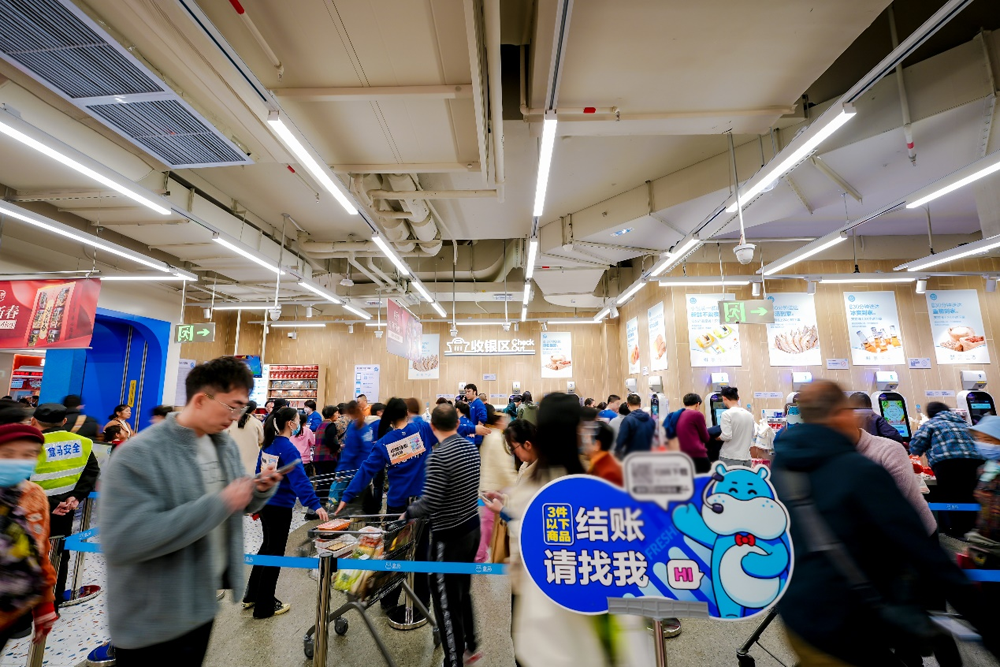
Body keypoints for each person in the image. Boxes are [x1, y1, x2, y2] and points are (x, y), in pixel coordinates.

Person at [771, 380, 1000, 666]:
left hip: (802, 615)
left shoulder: (784, 466)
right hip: (852, 619)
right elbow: (919, 546)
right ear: (840, 413)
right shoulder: (857, 470)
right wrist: (988, 627)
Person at [100, 356, 283, 666]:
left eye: (242, 408)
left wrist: (258, 489)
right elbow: (124, 540)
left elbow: (237, 503)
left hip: (201, 603)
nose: (236, 417)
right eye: (232, 406)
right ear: (200, 399)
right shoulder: (140, 454)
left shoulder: (222, 446)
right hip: (150, 616)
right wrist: (222, 502)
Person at [852, 413, 958, 666]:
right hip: (879, 547)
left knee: (933, 612)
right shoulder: (835, 458)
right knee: (896, 614)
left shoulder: (886, 449)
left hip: (918, 537)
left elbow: (892, 504)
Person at [404, 404, 483, 666]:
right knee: (462, 590)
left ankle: (454, 659)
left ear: (432, 426)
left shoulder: (439, 456)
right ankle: (470, 643)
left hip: (449, 536)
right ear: (458, 424)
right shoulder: (470, 448)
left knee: (445, 601)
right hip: (472, 527)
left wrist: (408, 512)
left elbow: (430, 503)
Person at [336, 398, 430, 613]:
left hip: (397, 506)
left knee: (394, 553)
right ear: (406, 413)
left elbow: (366, 470)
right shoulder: (422, 429)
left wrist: (346, 496)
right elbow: (448, 430)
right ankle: (423, 600)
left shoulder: (385, 442)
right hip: (422, 504)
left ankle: (388, 601)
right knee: (423, 553)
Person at [243, 406, 327, 619]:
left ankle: (252, 594)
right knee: (274, 553)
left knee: (266, 547)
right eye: (297, 420)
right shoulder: (288, 449)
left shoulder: (269, 444)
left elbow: (258, 473)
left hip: (266, 504)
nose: (300, 423)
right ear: (290, 423)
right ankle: (265, 606)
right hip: (279, 507)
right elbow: (300, 481)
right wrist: (315, 504)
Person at [30, 403, 100, 612]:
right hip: (65, 509)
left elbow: (18, 480)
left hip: (31, 510)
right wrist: (75, 497)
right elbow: (91, 471)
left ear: (33, 420)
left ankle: (26, 605)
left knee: (28, 554)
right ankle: (54, 600)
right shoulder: (81, 443)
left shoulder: (29, 444)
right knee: (59, 553)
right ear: (64, 421)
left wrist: (50, 503)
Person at [0, 424, 58, 652]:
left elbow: (39, 550)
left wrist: (45, 602)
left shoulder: (33, 494)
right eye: (8, 454)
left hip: (10, 609)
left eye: (29, 454)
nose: (18, 461)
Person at [909, 402, 985, 538]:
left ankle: (957, 531)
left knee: (952, 496)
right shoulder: (966, 424)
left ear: (930, 414)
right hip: (976, 462)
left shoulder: (931, 424)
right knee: (970, 495)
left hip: (948, 464)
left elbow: (916, 447)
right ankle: (974, 530)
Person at [476, 409, 515, 563]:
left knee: (488, 522)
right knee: (489, 524)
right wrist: (515, 482)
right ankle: (480, 555)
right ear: (499, 422)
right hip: (496, 486)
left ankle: (481, 555)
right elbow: (503, 466)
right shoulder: (498, 438)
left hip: (489, 484)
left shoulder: (490, 436)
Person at [330, 401, 373, 506]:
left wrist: (340, 471)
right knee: (363, 498)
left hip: (354, 469)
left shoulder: (354, 427)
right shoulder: (365, 426)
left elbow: (350, 453)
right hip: (366, 467)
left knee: (354, 501)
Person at [718, 387, 754, 468]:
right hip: (746, 458)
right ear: (738, 398)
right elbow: (752, 434)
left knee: (730, 477)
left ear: (724, 398)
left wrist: (717, 438)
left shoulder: (726, 414)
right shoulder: (749, 415)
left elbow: (727, 436)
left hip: (730, 457)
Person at [226, 401, 264, 475]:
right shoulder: (257, 423)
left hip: (234, 455)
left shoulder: (232, 421)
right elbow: (261, 439)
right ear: (254, 410)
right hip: (252, 457)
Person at [676, 393, 711, 473]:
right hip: (697, 455)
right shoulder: (697, 414)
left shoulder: (679, 414)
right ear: (697, 404)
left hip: (683, 456)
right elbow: (706, 438)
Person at [312, 405, 341, 499]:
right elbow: (331, 441)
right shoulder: (331, 425)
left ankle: (317, 502)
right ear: (332, 414)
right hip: (327, 457)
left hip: (317, 457)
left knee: (321, 482)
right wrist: (339, 446)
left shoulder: (320, 425)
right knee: (326, 483)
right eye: (336, 413)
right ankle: (320, 503)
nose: (338, 415)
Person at [585, 421, 622, 485]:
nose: (584, 444)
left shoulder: (608, 474)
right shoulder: (598, 463)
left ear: (597, 445)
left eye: (586, 439)